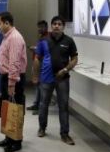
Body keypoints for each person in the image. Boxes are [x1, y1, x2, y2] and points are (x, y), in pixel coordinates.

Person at [33, 16, 78, 145]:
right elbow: (37, 58)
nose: (57, 26)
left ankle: (65, 134)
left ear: (63, 26)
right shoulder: (44, 40)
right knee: (43, 104)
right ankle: (42, 128)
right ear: (51, 26)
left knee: (63, 106)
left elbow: (74, 59)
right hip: (46, 78)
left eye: (59, 24)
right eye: (54, 24)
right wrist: (35, 76)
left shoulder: (69, 41)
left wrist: (65, 70)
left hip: (62, 79)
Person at [0, 11, 27, 152]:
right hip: (7, 77)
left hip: (13, 79)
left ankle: (16, 142)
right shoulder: (6, 37)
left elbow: (14, 63)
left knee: (15, 111)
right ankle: (9, 138)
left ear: (7, 23)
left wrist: (12, 83)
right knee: (7, 109)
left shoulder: (14, 38)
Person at [27, 20, 49, 114]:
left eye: (42, 27)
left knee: (42, 87)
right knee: (38, 86)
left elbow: (46, 51)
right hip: (38, 63)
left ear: (46, 27)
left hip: (43, 65)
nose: (40, 29)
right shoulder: (42, 37)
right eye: (39, 27)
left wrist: (35, 49)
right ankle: (37, 104)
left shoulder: (48, 38)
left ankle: (40, 108)